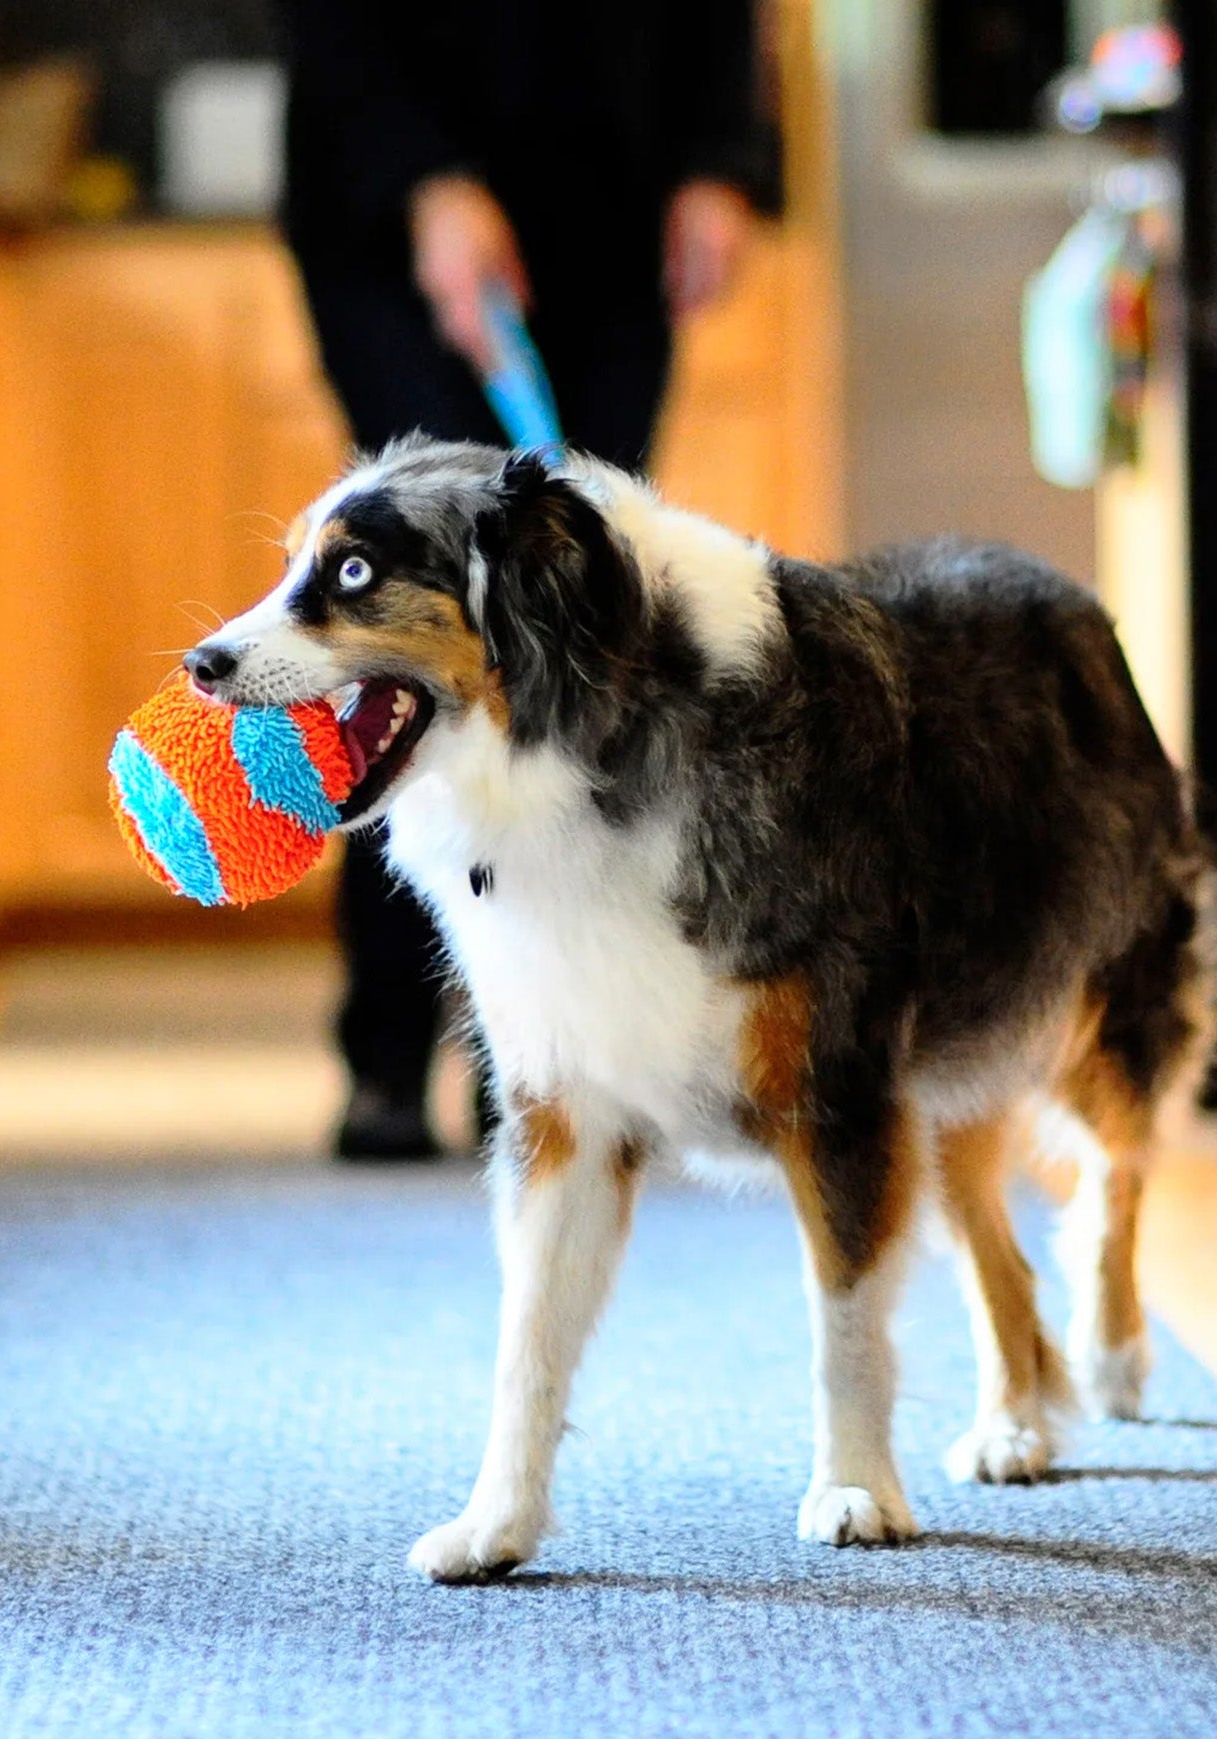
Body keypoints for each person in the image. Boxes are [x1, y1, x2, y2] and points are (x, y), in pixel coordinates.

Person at [281, 0, 776, 1158]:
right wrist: (426, 183)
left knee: (576, 633)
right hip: (390, 204)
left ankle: (555, 1053)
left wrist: (722, 161)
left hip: (613, 201)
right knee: (411, 616)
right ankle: (390, 1042)